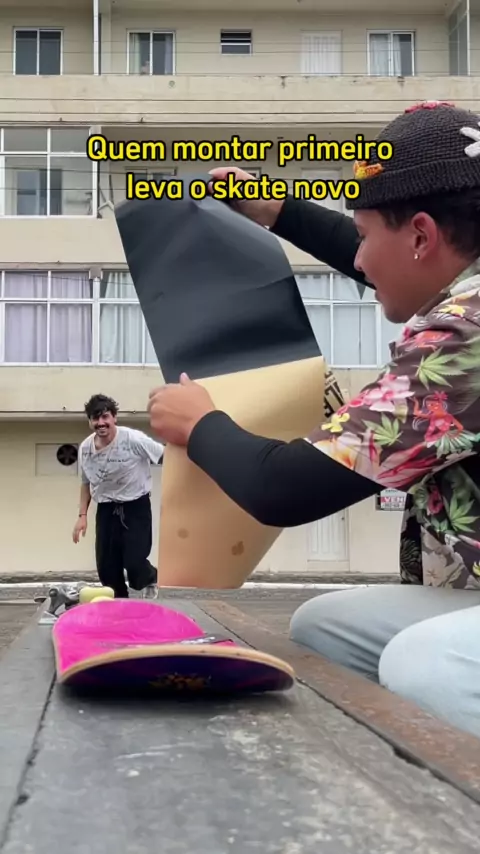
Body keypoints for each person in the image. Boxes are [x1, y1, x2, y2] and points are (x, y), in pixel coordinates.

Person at [146, 102, 480, 738]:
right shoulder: (459, 288)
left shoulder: (465, 339)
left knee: (428, 663)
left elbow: (286, 488)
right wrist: (278, 211)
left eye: (365, 236)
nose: (359, 262)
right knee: (326, 627)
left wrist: (201, 424)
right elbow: (392, 260)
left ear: (421, 236)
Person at [73, 393, 164, 599]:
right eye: (95, 418)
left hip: (135, 507)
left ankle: (149, 579)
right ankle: (119, 604)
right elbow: (86, 483)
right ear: (90, 421)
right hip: (106, 509)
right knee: (106, 568)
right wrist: (82, 516)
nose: (101, 423)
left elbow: (165, 456)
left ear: (114, 417)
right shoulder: (86, 448)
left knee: (134, 561)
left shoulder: (133, 439)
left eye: (105, 417)